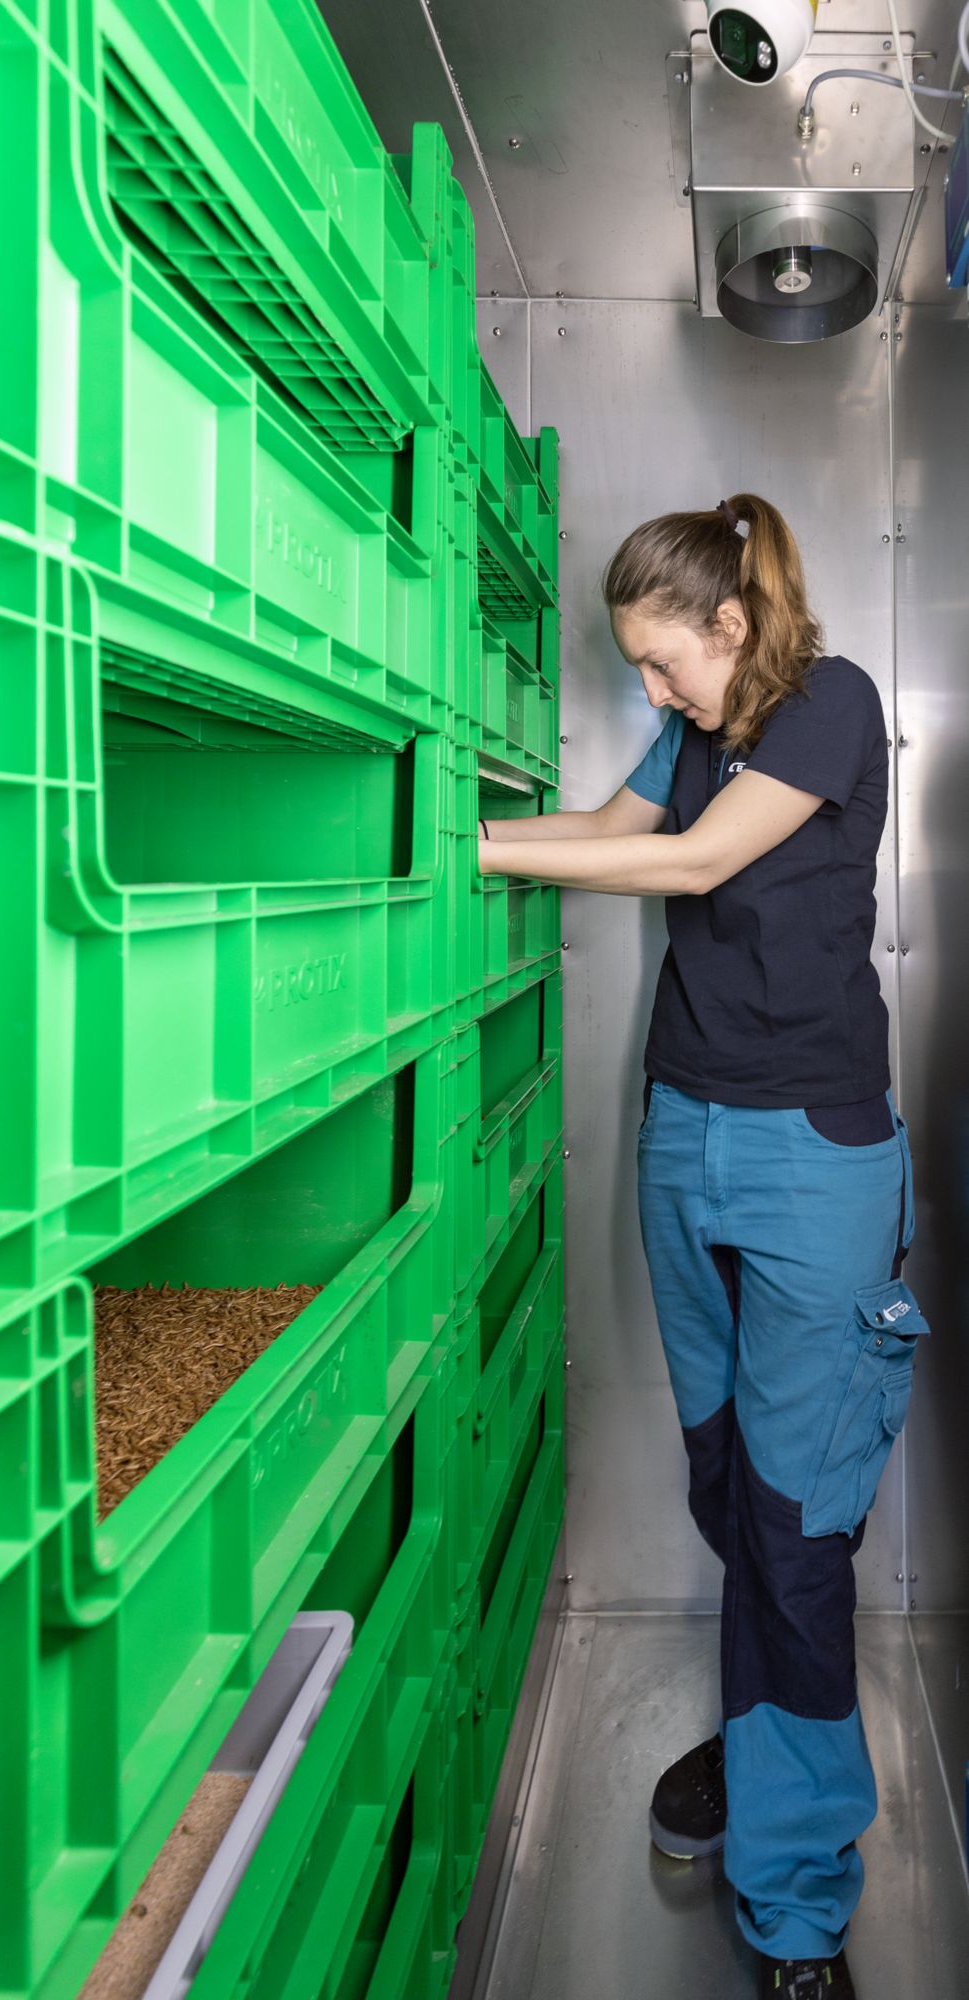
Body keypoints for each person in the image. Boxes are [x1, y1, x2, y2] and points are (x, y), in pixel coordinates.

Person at [477, 494, 927, 2000]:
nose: (652, 696)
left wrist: (482, 846)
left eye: (665, 666)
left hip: (812, 1158)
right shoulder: (702, 731)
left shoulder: (829, 703)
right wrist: (432, 824)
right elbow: (617, 827)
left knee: (798, 1530)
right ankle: (761, 1747)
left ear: (731, 626)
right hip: (688, 1136)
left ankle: (798, 1906)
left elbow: (683, 868)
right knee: (732, 1483)